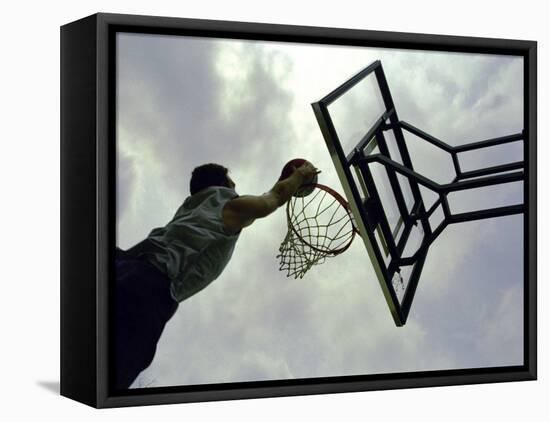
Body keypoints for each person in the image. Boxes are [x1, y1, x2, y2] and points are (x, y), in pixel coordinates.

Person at [115, 161, 319, 389]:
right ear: (223, 185)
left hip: (125, 269)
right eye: (232, 183)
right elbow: (272, 199)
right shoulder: (227, 205)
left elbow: (271, 192)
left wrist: (285, 182)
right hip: (148, 289)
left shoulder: (194, 206)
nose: (236, 187)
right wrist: (300, 175)